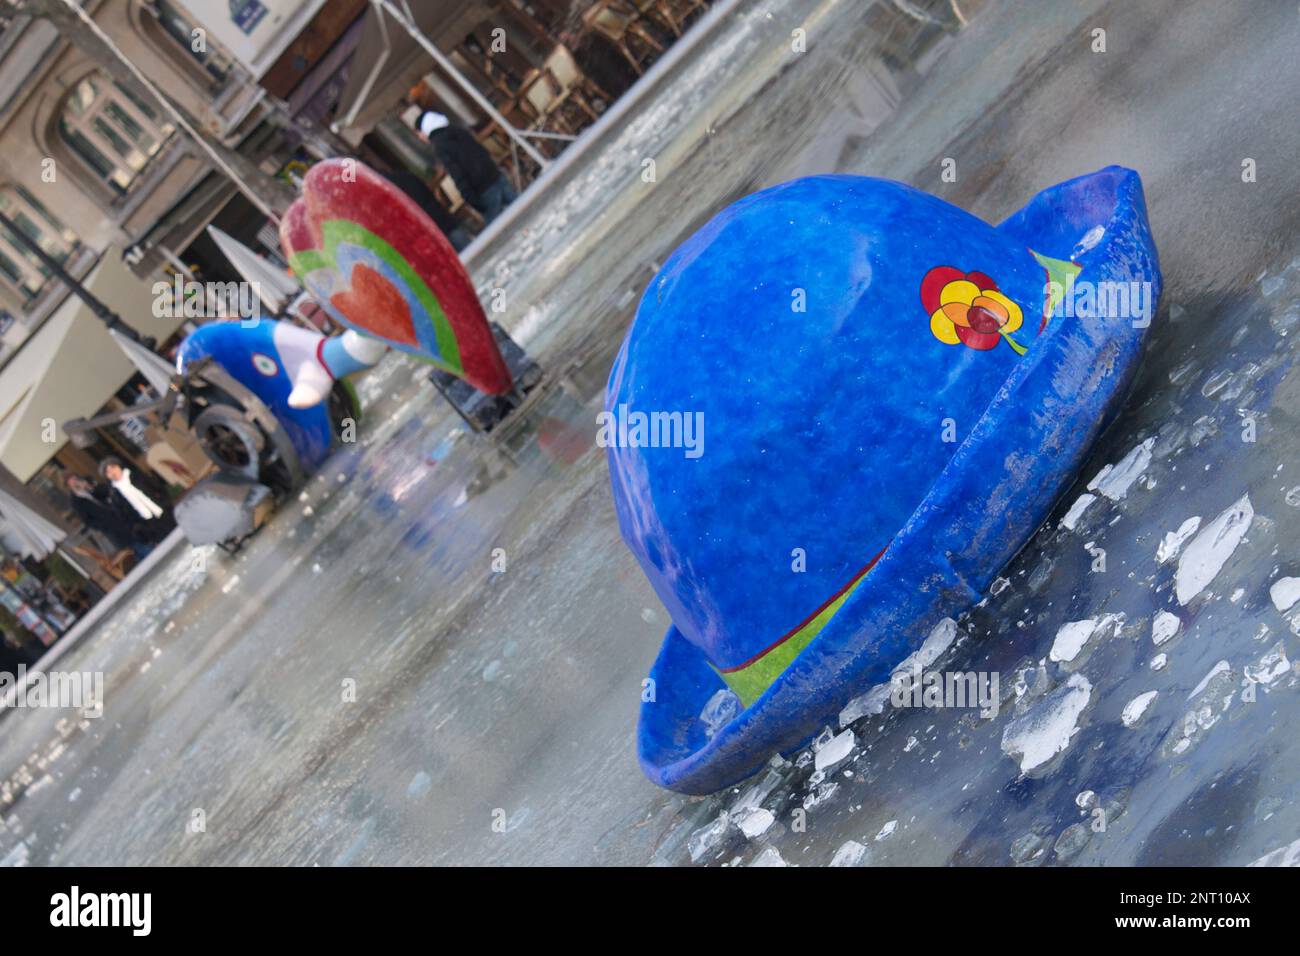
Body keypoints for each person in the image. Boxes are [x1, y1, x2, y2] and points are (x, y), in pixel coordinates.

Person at [416, 111, 518, 224]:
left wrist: (470, 198)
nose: (420, 137)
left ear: (425, 130)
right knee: (524, 210)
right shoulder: (456, 130)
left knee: (501, 230)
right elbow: (481, 151)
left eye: (419, 133)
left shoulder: (439, 146)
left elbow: (457, 173)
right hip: (496, 176)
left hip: (483, 191)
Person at [381, 167, 473, 251]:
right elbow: (428, 193)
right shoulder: (406, 177)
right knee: (472, 251)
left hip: (430, 237)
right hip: (443, 221)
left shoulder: (388, 196)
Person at [99, 458, 174, 556]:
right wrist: (136, 526)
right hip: (148, 523)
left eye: (113, 467)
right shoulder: (115, 493)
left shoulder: (135, 476)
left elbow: (156, 487)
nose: (112, 472)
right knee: (168, 543)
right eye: (108, 472)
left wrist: (165, 501)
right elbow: (123, 515)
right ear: (107, 477)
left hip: (162, 510)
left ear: (119, 466)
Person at [65, 473, 134, 552]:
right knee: (127, 546)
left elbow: (105, 491)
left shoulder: (88, 485)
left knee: (134, 536)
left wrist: (90, 488)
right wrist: (102, 526)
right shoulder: (76, 501)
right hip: (106, 524)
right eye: (72, 481)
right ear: (69, 486)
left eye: (76, 479)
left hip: (115, 514)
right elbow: (86, 519)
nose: (75, 482)